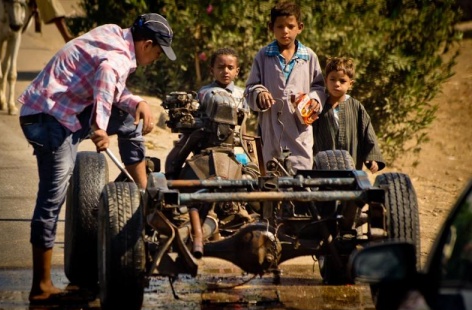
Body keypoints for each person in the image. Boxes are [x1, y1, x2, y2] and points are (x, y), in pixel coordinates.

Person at [18, 13, 176, 303]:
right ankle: (40, 287)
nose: (157, 58)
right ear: (147, 44)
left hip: (61, 110)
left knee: (130, 121)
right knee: (52, 197)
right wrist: (99, 128)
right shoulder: (117, 58)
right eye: (158, 52)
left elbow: (113, 88)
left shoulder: (115, 33)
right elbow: (106, 78)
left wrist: (137, 102)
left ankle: (142, 197)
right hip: (47, 117)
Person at [245, 0, 326, 173]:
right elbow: (250, 88)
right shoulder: (263, 56)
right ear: (271, 27)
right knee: (272, 180)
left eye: (290, 26)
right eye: (280, 26)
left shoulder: (309, 57)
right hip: (271, 130)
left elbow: (319, 88)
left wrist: (313, 101)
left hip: (299, 132)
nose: (285, 31)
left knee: (301, 180)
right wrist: (259, 94)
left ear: (300, 27)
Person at [165, 47, 247, 178]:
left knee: (249, 168)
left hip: (232, 141)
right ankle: (171, 175)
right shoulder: (204, 92)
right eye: (220, 67)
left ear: (237, 71)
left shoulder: (241, 94)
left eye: (230, 68)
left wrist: (244, 145)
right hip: (205, 137)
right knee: (181, 147)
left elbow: (244, 125)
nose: (225, 71)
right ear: (212, 70)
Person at [312, 57, 385, 173]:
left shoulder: (356, 107)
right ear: (326, 81)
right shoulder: (318, 106)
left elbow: (367, 134)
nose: (337, 84)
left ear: (350, 84)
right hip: (323, 170)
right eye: (332, 79)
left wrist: (372, 158)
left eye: (342, 81)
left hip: (352, 166)